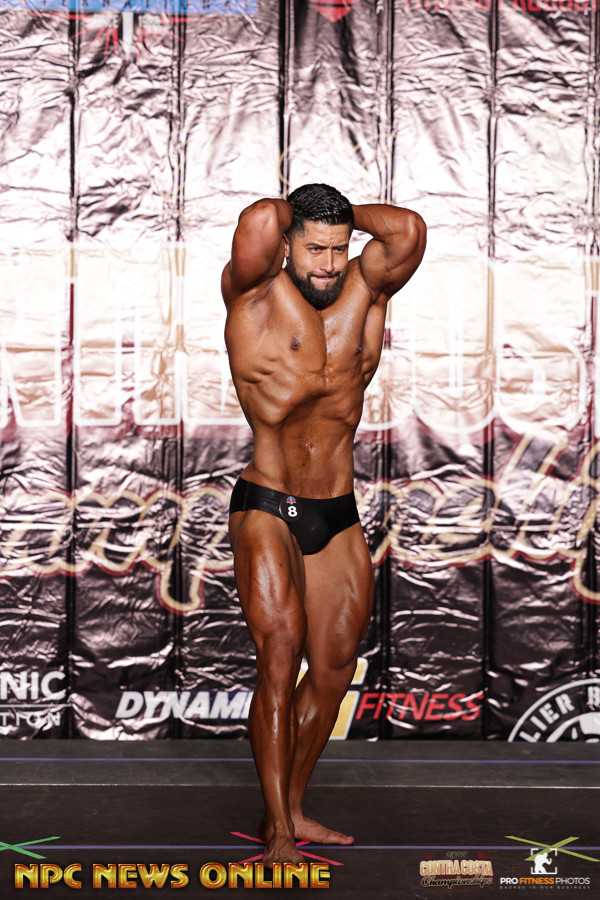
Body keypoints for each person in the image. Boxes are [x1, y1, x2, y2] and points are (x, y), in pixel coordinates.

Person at [222, 183, 426, 866]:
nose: (330, 264)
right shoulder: (254, 293)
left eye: (339, 248)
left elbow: (408, 231)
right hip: (268, 503)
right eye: (315, 248)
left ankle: (291, 808)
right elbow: (260, 218)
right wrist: (306, 212)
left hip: (336, 510)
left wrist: (340, 214)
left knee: (335, 669)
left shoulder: (367, 287)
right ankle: (278, 832)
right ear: (288, 243)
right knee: (280, 655)